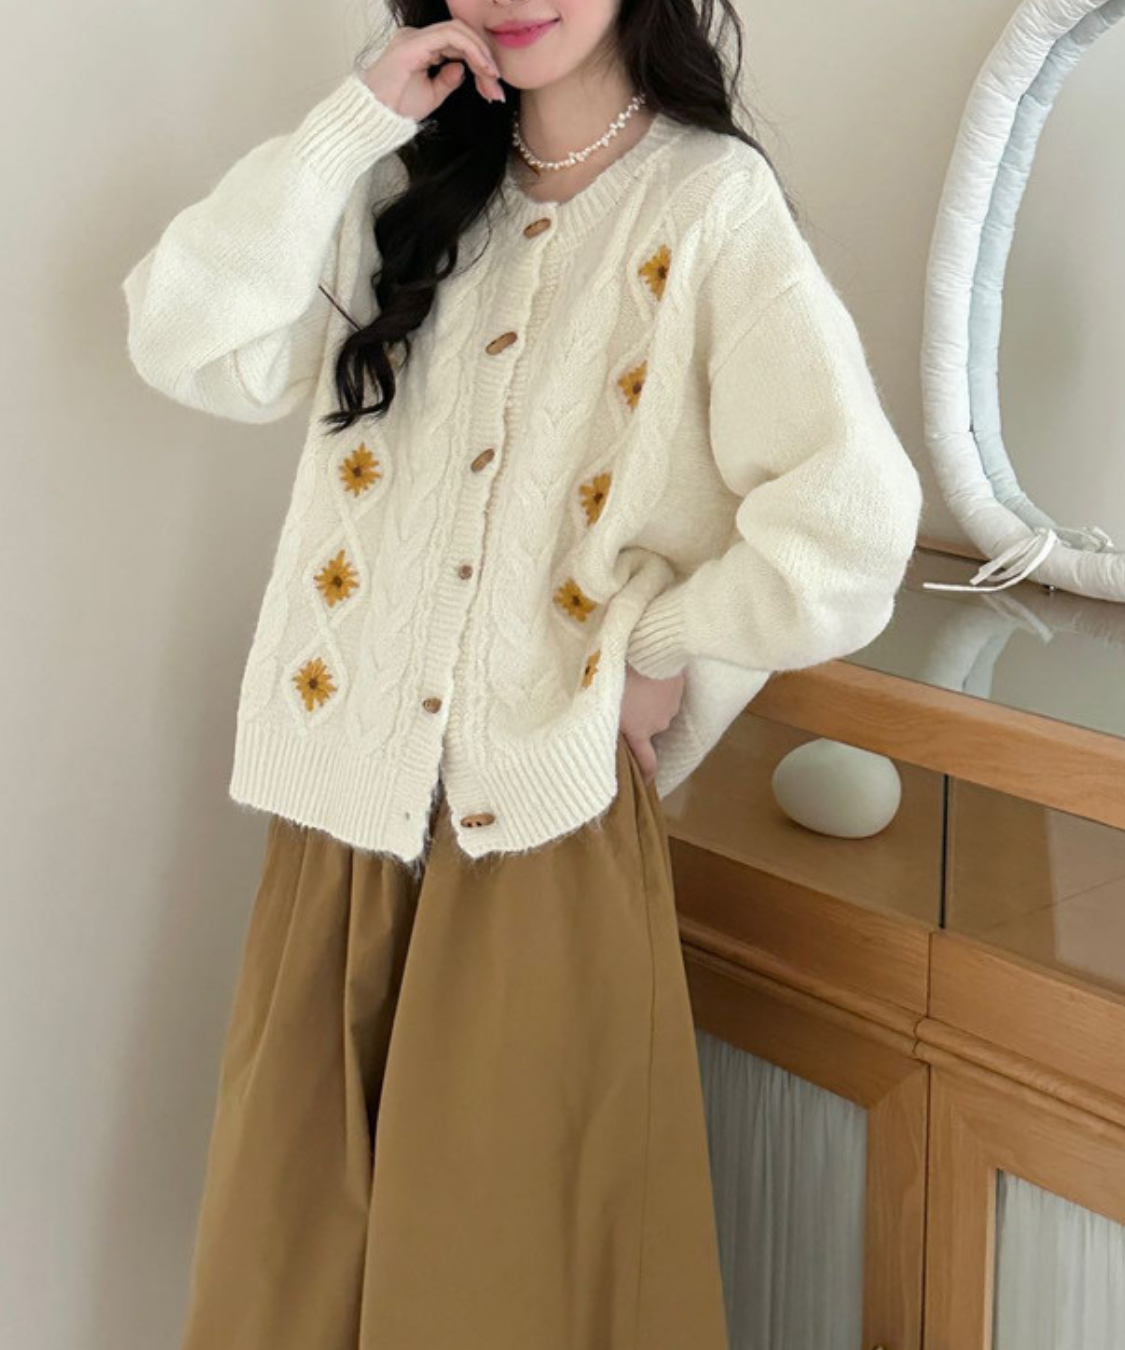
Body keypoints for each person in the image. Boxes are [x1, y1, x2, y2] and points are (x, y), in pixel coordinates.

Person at [121, 1, 923, 1346]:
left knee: (496, 1293)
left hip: (536, 843)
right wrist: (352, 124)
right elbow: (181, 335)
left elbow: (850, 525)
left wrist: (660, 647)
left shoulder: (706, 206)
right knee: (286, 1289)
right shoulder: (406, 189)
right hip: (341, 831)